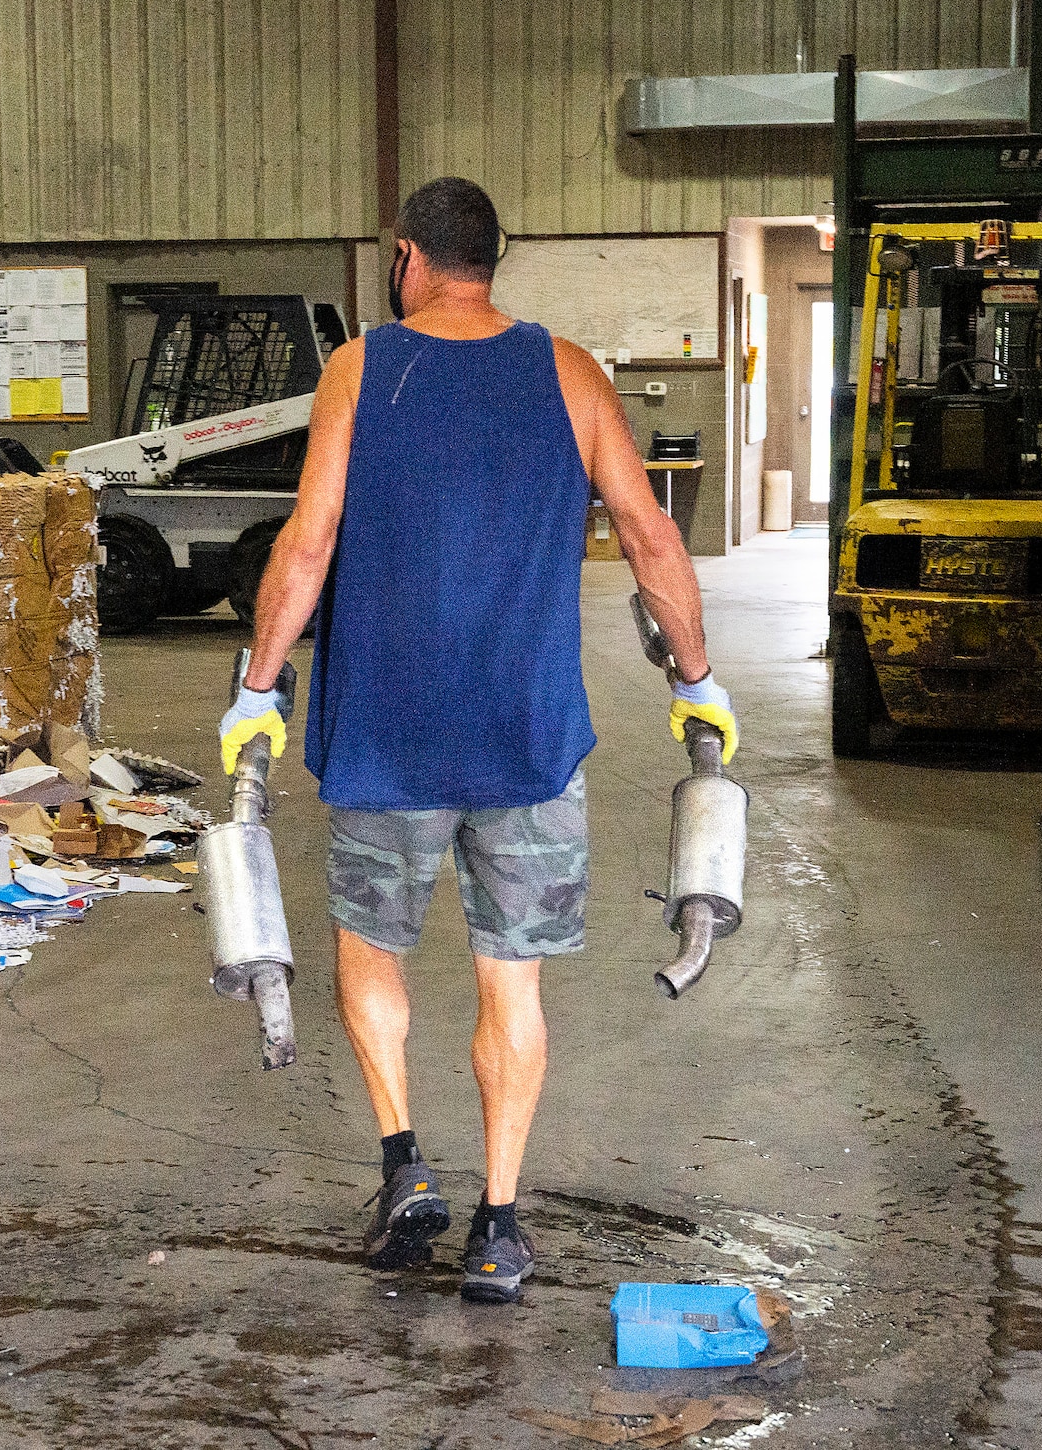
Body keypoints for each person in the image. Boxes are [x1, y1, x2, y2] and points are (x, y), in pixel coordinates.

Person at [217, 177, 738, 1305]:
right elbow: (649, 536)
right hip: (526, 737)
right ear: (490, 261)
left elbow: (306, 543)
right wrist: (697, 681)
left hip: (384, 739)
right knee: (514, 984)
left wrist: (255, 688)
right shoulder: (568, 371)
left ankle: (404, 1165)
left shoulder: (360, 368)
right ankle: (499, 1225)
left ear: (408, 257)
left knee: (373, 949)